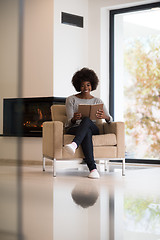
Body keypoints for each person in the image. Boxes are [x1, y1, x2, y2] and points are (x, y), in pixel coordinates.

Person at [64, 68, 113, 179]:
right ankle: (93, 169)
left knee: (87, 121)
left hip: (93, 127)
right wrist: (74, 119)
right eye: (82, 85)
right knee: (87, 132)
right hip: (75, 128)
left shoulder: (98, 101)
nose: (85, 88)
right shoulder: (71, 100)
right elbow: (68, 123)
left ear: (92, 85)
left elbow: (110, 118)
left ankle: (74, 144)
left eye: (88, 85)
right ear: (78, 86)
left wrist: (104, 117)